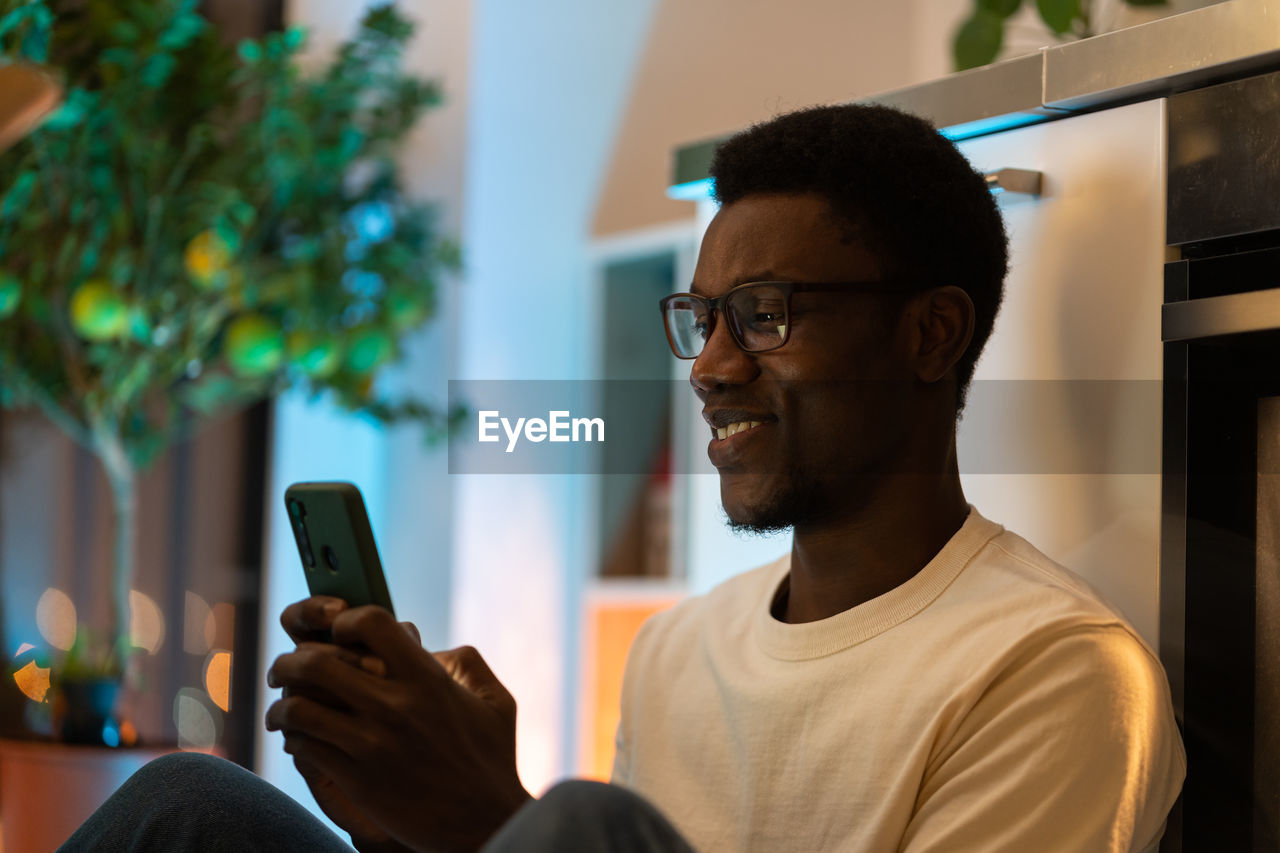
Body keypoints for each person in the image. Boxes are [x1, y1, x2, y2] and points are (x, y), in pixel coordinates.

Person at [62, 103, 1184, 852]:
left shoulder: (1054, 674)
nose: (709, 367)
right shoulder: (678, 650)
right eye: (700, 319)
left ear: (930, 334)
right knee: (188, 806)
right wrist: (412, 823)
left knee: (579, 829)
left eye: (763, 315)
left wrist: (490, 821)